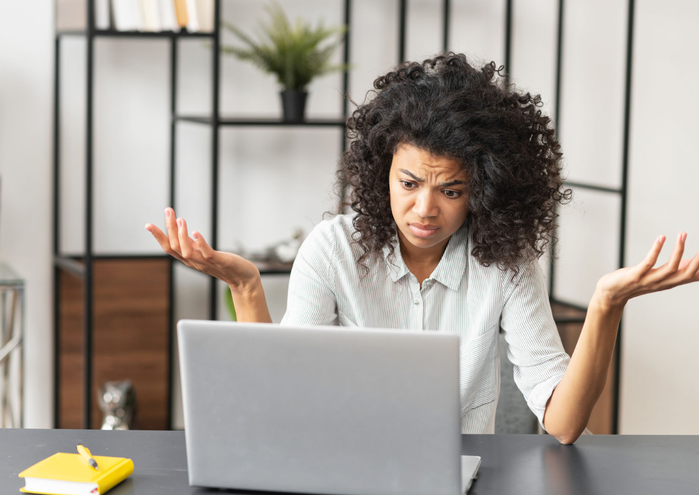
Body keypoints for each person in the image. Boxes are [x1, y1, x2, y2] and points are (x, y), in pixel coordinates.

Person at [145, 53, 699, 444]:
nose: (425, 210)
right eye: (409, 183)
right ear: (381, 171)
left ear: (481, 191)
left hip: (459, 476)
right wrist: (246, 286)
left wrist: (606, 304)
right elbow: (279, 402)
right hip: (335, 470)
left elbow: (563, 424)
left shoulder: (503, 262)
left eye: (451, 190)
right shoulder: (333, 248)